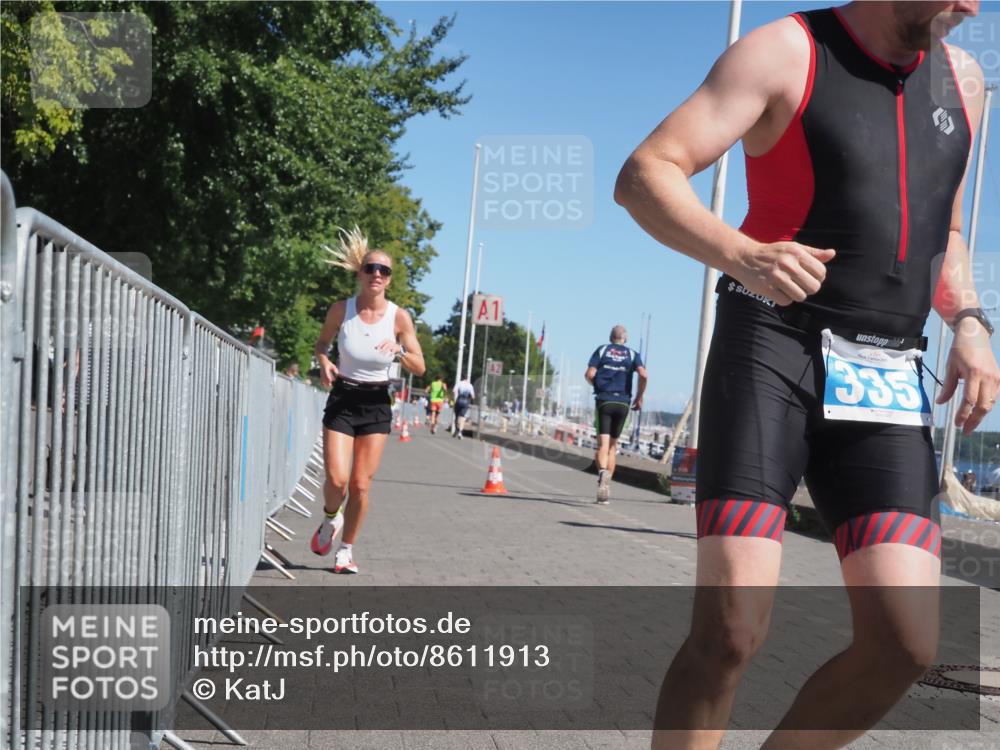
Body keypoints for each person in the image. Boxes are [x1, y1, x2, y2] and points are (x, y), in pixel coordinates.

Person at [614, 2, 996, 748]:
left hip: (886, 370)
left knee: (905, 644)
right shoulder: (786, 51)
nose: (975, 6)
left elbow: (943, 233)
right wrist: (740, 251)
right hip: (772, 349)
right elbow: (644, 174)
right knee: (730, 631)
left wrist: (971, 323)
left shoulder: (968, 83)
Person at [310, 227, 425, 574]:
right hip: (343, 397)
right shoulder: (340, 310)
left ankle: (345, 550)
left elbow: (420, 366)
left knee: (360, 485)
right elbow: (321, 345)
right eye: (371, 268)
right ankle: (331, 517)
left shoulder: (399, 317)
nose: (377, 274)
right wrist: (325, 362)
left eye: (384, 271)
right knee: (337, 479)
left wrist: (400, 349)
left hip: (376, 403)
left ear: (388, 280)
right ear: (360, 273)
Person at [585, 325, 648, 504]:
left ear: (610, 337)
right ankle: (607, 485)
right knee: (613, 447)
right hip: (623, 402)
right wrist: (639, 396)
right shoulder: (633, 354)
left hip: (604, 401)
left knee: (602, 446)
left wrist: (598, 386)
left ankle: (602, 473)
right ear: (625, 339)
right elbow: (644, 375)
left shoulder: (602, 350)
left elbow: (589, 374)